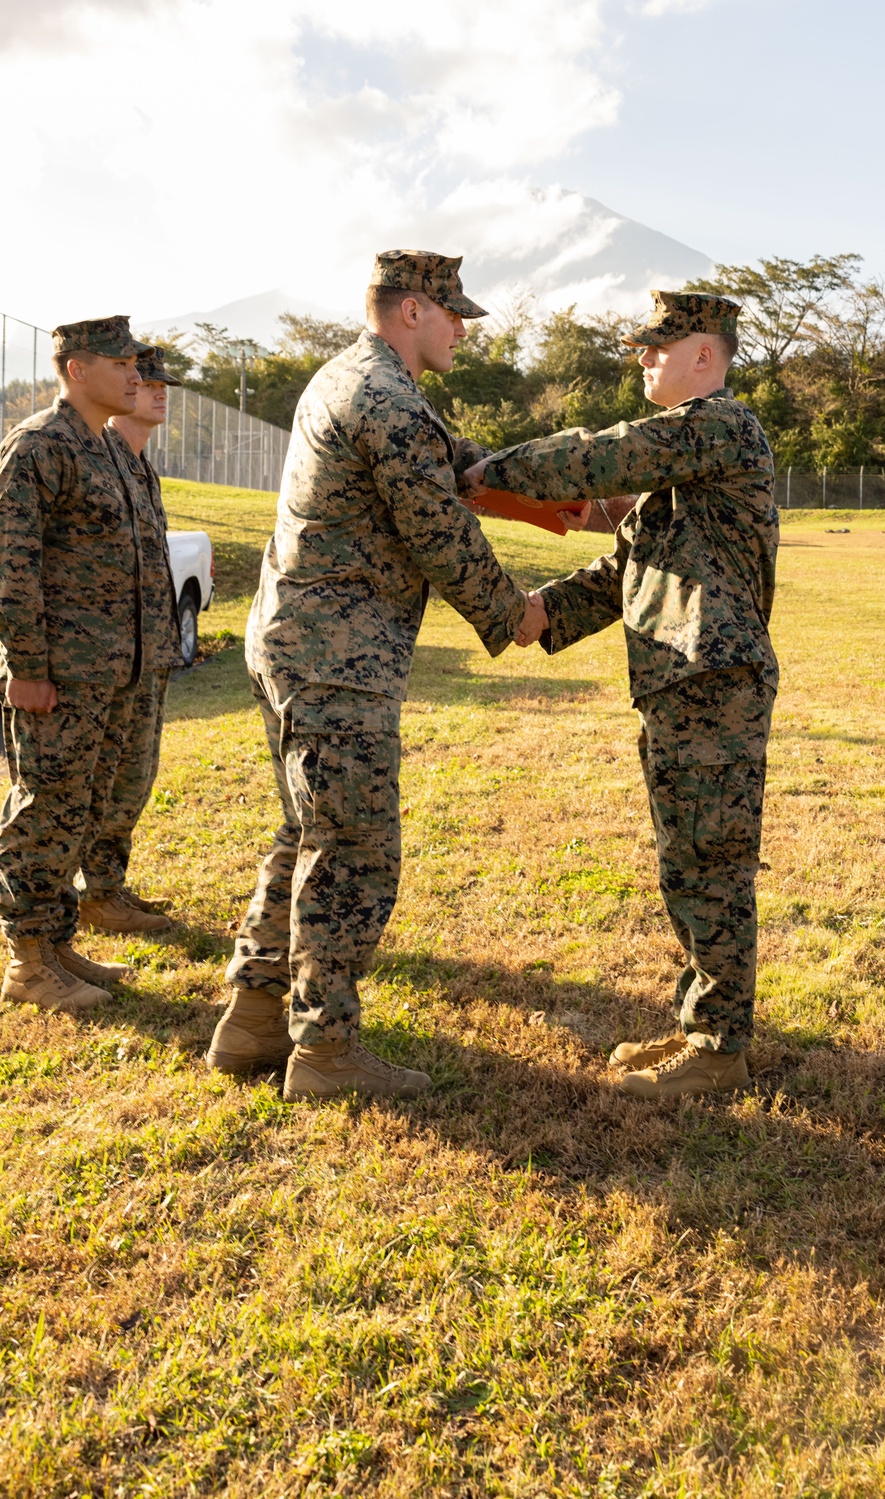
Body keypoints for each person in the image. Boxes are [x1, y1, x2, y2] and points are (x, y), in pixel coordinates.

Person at [207, 250, 547, 1102]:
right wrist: (517, 613)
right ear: (409, 312)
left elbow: (460, 467)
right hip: (335, 657)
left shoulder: (357, 381)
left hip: (300, 646)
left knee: (307, 831)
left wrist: (565, 496)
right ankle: (325, 1052)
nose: (462, 327)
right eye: (452, 313)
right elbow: (443, 534)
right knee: (355, 851)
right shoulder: (385, 400)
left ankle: (251, 1017)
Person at [465, 291, 779, 1101]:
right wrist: (542, 613)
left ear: (704, 356)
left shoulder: (718, 427)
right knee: (686, 861)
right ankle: (700, 1026)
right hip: (680, 683)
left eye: (655, 348)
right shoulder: (681, 466)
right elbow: (623, 572)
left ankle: (718, 1048)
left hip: (713, 681)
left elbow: (592, 460)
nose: (642, 360)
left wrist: (480, 476)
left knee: (710, 861)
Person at [0, 315, 161, 1014]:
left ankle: (58, 942)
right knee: (45, 811)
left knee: (82, 811)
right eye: (121, 363)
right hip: (58, 676)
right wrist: (27, 666)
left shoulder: (114, 452)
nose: (135, 374)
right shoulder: (39, 447)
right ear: (77, 369)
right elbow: (12, 568)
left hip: (112, 675)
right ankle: (27, 960)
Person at [72, 345, 185, 936]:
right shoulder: (93, 456)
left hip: (145, 655)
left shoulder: (141, 467)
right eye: (146, 379)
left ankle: (106, 889)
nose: (158, 389)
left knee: (133, 777)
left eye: (165, 382)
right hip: (94, 659)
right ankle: (72, 904)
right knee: (87, 785)